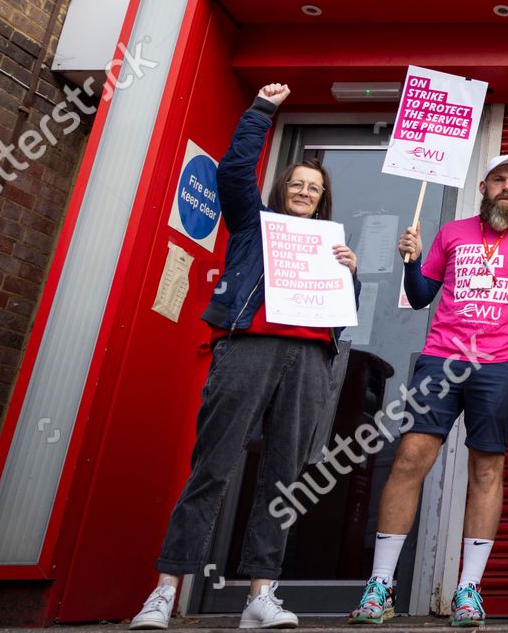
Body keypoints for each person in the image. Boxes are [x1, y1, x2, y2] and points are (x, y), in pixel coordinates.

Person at [132, 84, 358, 631]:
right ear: (283, 190)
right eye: (297, 184)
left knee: (284, 477)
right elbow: (234, 171)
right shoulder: (253, 223)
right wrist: (261, 112)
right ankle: (166, 590)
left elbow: (343, 318)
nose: (304, 192)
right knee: (213, 465)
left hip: (308, 360)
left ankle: (261, 593)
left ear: (323, 201)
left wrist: (350, 276)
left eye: (314, 188)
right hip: (249, 348)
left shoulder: (333, 246)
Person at [349, 155, 508, 628]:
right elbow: (422, 295)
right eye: (499, 180)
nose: (507, 188)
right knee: (409, 459)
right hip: (441, 359)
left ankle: (468, 590)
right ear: (483, 186)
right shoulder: (452, 233)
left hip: (499, 366)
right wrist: (412, 261)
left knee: (486, 469)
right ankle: (381, 585)